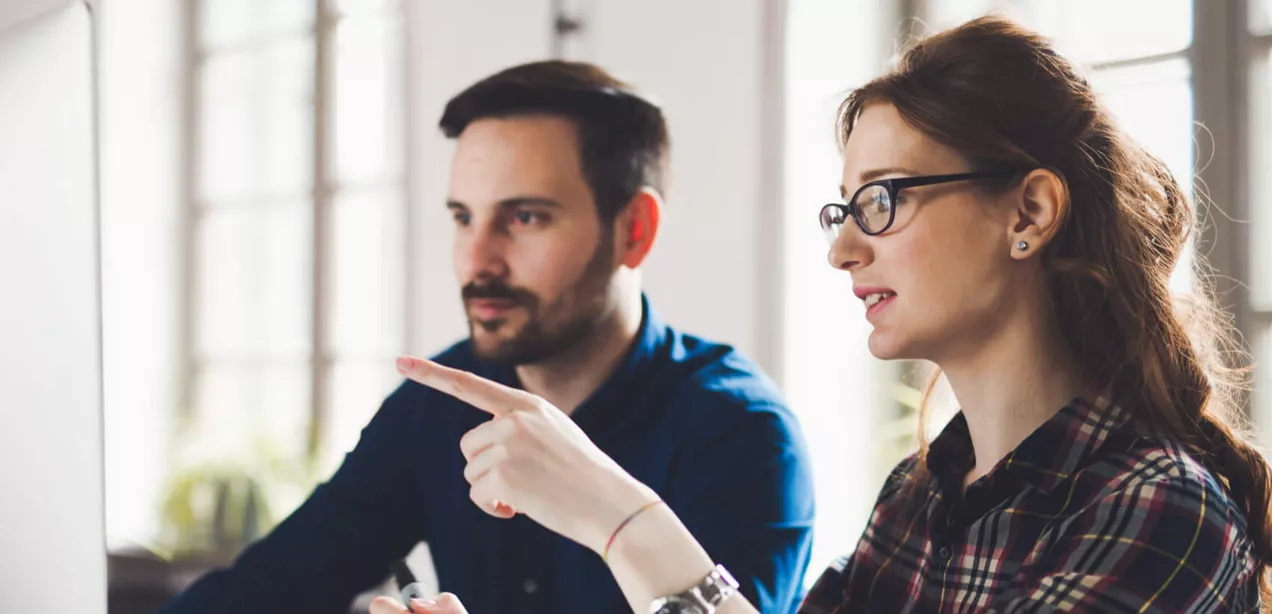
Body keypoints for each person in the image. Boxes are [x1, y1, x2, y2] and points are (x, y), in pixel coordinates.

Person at [371, 16, 1270, 614]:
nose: (843, 249)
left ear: (1028, 213)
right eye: (843, 211)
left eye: (883, 201)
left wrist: (625, 521)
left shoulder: (1162, 512)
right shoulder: (919, 503)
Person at [158, 60, 815, 614]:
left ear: (634, 231)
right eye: (463, 218)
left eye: (525, 217)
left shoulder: (743, 433)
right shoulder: (436, 403)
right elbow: (270, 588)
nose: (477, 262)